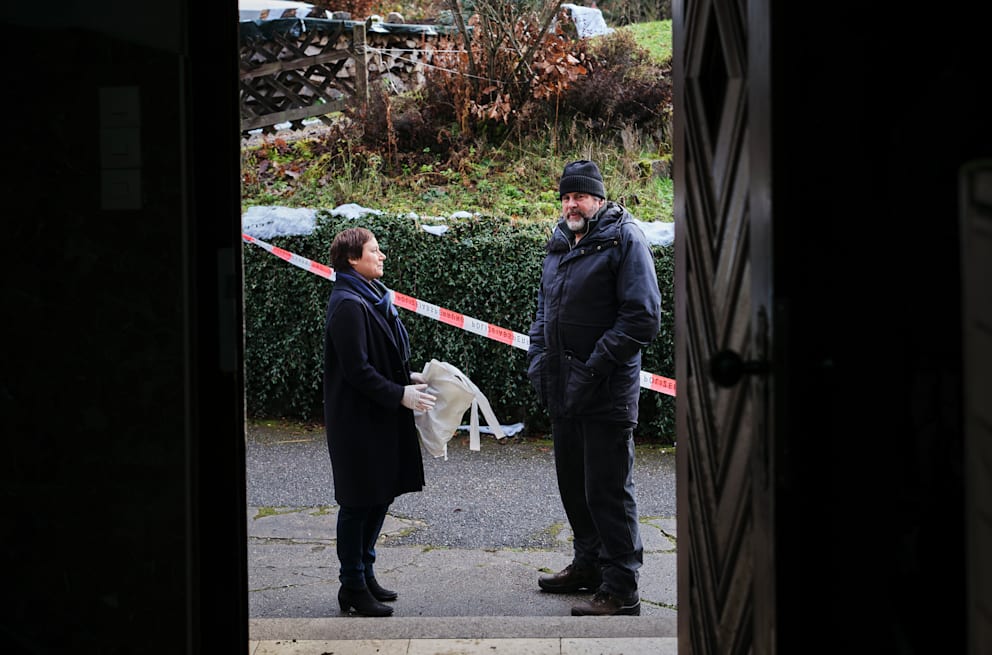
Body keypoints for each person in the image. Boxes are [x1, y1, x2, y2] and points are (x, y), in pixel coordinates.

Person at [526, 160, 662, 617]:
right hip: (563, 391)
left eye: (579, 196)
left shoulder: (625, 240)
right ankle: (588, 566)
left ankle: (621, 588)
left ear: (599, 200)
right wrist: (539, 360)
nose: (571, 204)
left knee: (608, 492)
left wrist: (592, 367)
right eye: (566, 197)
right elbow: (545, 309)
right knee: (575, 487)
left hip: (605, 393)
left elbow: (642, 317)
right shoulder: (561, 241)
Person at [322, 226, 436, 617]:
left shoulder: (369, 295)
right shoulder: (348, 304)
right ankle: (352, 586)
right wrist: (399, 394)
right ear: (353, 259)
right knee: (357, 503)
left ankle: (365, 573)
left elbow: (378, 357)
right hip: (357, 422)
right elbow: (356, 370)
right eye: (374, 250)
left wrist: (409, 378)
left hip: (377, 417)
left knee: (379, 495)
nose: (382, 255)